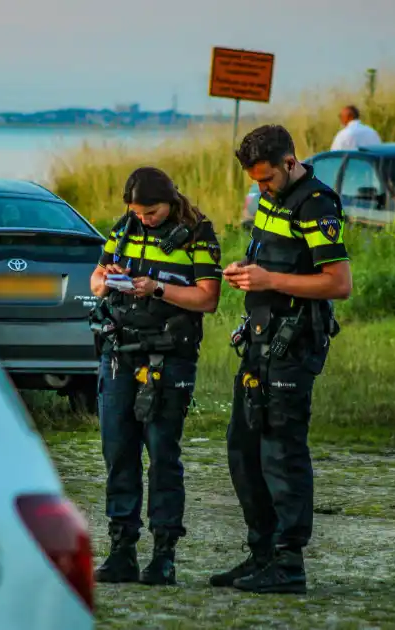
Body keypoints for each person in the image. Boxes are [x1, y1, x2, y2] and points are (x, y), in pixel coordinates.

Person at [213, 124, 353, 595]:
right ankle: (262, 554)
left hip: (293, 347)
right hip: (258, 340)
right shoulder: (272, 198)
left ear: (290, 163)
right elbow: (272, 261)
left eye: (267, 178)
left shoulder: (316, 203)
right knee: (243, 449)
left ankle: (289, 564)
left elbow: (338, 283)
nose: (261, 188)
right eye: (255, 181)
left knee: (281, 453)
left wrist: (269, 280)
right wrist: (245, 272)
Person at [88, 167, 223, 586]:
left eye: (152, 211)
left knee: (163, 455)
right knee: (118, 452)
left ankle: (164, 555)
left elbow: (208, 298)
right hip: (119, 353)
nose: (145, 218)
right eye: (138, 211)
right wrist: (105, 282)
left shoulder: (198, 233)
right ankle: (121, 550)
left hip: (169, 357)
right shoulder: (124, 228)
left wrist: (157, 289)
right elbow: (97, 276)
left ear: (170, 200)